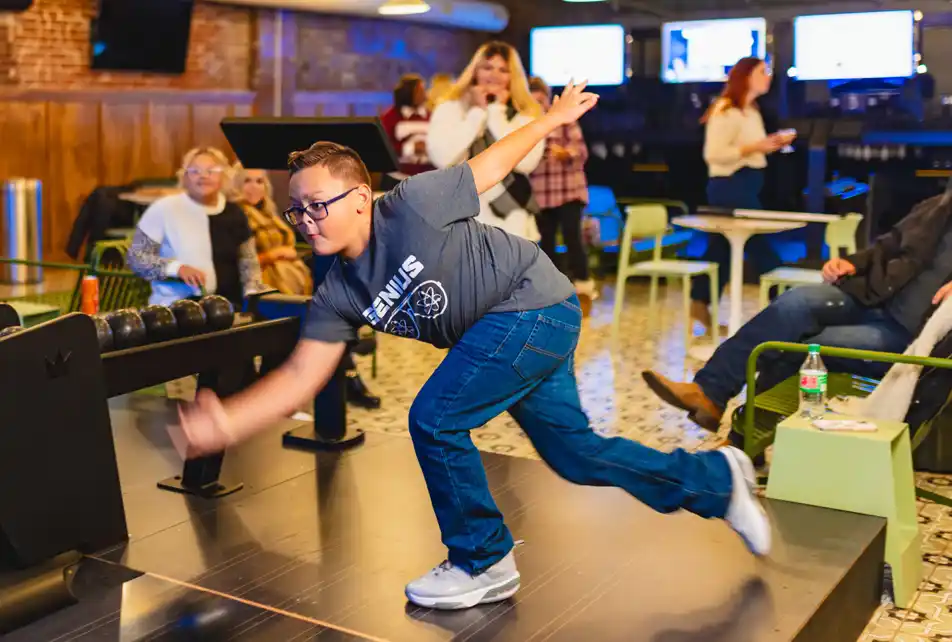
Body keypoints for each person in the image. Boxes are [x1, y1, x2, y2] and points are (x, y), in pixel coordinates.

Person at [171, 82, 770, 611]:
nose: (305, 219)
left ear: (360, 198)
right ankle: (716, 481)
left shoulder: (411, 206)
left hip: (531, 303)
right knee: (577, 456)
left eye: (318, 206)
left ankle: (482, 560)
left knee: (433, 418)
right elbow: (303, 377)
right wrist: (228, 421)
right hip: (510, 330)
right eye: (296, 209)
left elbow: (494, 163)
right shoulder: (336, 289)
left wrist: (553, 119)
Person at [642, 191, 952, 432]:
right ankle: (709, 391)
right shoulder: (937, 207)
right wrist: (852, 263)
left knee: (796, 349)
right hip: (871, 298)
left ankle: (741, 441)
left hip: (904, 337)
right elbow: (885, 246)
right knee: (795, 304)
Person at [690, 57, 796, 334]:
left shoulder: (751, 110)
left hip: (747, 183)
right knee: (759, 246)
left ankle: (699, 300)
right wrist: (755, 147)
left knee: (722, 249)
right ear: (746, 76)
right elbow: (714, 154)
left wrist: (769, 145)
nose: (768, 76)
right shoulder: (726, 110)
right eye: (763, 71)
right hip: (729, 186)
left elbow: (750, 148)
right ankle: (792, 306)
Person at [427, 41, 545, 241]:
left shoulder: (526, 114)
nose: (494, 75)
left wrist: (494, 112)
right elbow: (443, 158)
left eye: (503, 70)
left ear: (512, 76)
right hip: (460, 217)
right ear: (475, 71)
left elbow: (526, 162)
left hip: (512, 221)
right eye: (487, 67)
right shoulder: (450, 108)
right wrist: (476, 113)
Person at [127, 147, 264, 309]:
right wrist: (177, 269)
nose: (203, 176)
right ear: (184, 177)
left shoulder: (235, 212)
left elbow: (248, 262)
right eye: (195, 171)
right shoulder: (164, 209)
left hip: (230, 307)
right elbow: (136, 259)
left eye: (211, 170)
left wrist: (253, 295)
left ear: (223, 176)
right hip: (176, 308)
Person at [528, 76, 596, 311]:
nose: (539, 104)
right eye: (533, 99)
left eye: (541, 98)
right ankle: (556, 293)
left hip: (568, 191)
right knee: (545, 243)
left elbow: (581, 151)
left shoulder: (563, 119)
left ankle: (584, 288)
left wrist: (565, 153)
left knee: (572, 238)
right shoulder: (525, 122)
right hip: (540, 193)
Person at [232, 164, 312, 296]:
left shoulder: (269, 213)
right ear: (236, 185)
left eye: (259, 181)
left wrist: (290, 253)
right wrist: (273, 255)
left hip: (292, 282)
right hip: (262, 289)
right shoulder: (235, 215)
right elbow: (235, 265)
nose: (254, 187)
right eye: (247, 181)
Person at [380, 74, 435, 185]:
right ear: (408, 93)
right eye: (420, 91)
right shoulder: (389, 117)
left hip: (428, 178)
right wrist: (410, 148)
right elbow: (383, 148)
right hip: (397, 179)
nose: (424, 94)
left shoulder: (431, 116)